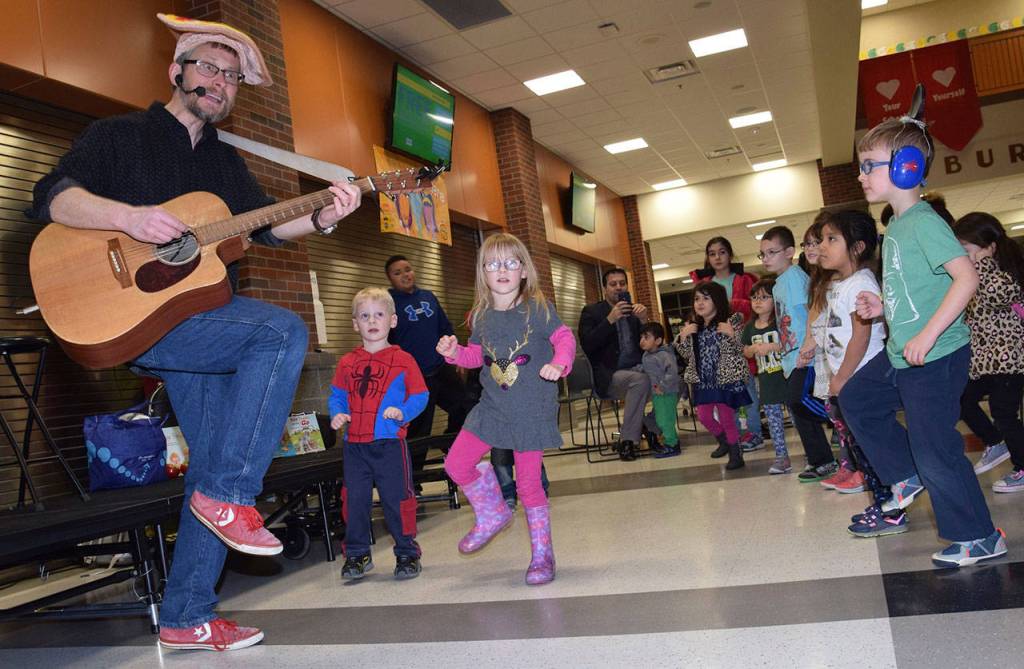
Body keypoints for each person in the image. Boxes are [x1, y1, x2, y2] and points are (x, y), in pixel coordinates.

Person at [28, 14, 364, 651]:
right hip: (131, 319)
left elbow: (264, 227)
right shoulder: (116, 135)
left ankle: (186, 615)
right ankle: (232, 497)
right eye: (209, 66)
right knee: (280, 333)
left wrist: (324, 214)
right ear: (176, 72)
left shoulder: (223, 161)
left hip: (199, 322)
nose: (221, 81)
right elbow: (51, 196)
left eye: (233, 77)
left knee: (211, 469)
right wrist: (129, 219)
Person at [840, 115, 1007, 568]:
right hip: (904, 353)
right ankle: (906, 475)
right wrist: (884, 310)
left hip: (936, 356)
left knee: (935, 446)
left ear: (906, 168)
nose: (861, 174)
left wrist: (929, 335)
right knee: (856, 398)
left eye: (869, 164)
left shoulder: (924, 221)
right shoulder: (896, 226)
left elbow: (965, 277)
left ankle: (979, 536)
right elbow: (916, 290)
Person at [438, 233, 575, 585]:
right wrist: (454, 353)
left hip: (531, 410)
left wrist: (560, 363)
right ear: (483, 273)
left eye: (511, 263)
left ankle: (543, 554)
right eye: (493, 264)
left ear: (524, 271)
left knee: (529, 483)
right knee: (456, 464)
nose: (502, 270)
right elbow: (477, 356)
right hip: (491, 408)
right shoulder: (480, 316)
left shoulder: (539, 309)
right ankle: (492, 513)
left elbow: (564, 338)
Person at [329, 287, 429, 581]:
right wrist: (337, 413)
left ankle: (408, 553)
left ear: (393, 321)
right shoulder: (347, 362)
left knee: (397, 500)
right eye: (364, 316)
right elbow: (337, 395)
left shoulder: (404, 360)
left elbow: (420, 395)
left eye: (379, 314)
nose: (372, 321)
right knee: (354, 500)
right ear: (355, 324)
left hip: (389, 445)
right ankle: (357, 554)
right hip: (354, 447)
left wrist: (403, 413)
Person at [814, 211, 902, 537]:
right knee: (861, 449)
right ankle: (885, 504)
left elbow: (861, 336)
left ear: (858, 246)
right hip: (850, 380)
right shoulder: (840, 283)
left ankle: (891, 509)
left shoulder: (862, 283)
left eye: (831, 239)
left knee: (871, 449)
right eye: (821, 239)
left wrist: (842, 378)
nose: (822, 246)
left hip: (863, 377)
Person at [759, 226, 837, 482]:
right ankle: (821, 461)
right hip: (791, 356)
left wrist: (808, 343)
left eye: (772, 252)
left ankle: (837, 418)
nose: (766, 258)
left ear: (790, 252)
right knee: (799, 411)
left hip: (804, 354)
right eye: (763, 254)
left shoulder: (793, 277)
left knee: (796, 400)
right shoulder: (780, 282)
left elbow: (809, 311)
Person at [953, 212, 1024, 492]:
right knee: (962, 400)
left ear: (990, 247)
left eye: (967, 251)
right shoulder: (972, 275)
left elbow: (998, 296)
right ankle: (995, 442)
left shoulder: (1004, 272)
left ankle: (1022, 466)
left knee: (1005, 413)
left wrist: (978, 268)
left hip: (1010, 358)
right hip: (985, 361)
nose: (964, 258)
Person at [385, 255, 469, 446]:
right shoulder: (388, 303)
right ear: (390, 278)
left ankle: (450, 446)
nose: (405, 275)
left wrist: (458, 356)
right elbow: (385, 342)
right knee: (420, 429)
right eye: (398, 273)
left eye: (408, 269)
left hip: (441, 367)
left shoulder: (428, 297)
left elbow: (445, 329)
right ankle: (413, 473)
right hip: (415, 376)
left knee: (465, 406)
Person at [691, 237, 764, 451]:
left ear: (730, 255)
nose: (717, 257)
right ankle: (734, 438)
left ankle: (754, 433)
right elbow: (698, 312)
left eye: (722, 252)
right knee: (724, 398)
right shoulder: (703, 284)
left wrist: (730, 304)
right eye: (712, 253)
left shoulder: (744, 279)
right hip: (714, 348)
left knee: (747, 389)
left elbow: (754, 307)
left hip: (739, 340)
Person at [675, 282, 750, 470]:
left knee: (727, 418)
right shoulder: (694, 327)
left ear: (717, 300)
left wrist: (732, 335)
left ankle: (735, 453)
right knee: (704, 416)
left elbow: (742, 350)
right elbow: (686, 355)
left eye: (705, 298)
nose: (700, 303)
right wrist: (683, 337)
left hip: (725, 379)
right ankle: (724, 440)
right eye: (696, 299)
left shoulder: (730, 322)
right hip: (703, 381)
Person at [578, 268, 650, 461]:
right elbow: (588, 344)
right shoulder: (591, 312)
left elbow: (651, 344)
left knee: (677, 379)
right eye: (613, 284)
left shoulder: (634, 311)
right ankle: (628, 441)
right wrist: (610, 320)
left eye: (622, 283)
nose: (618, 288)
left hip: (639, 368)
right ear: (604, 289)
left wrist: (644, 321)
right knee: (640, 380)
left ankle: (648, 426)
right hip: (610, 375)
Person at [741, 279, 791, 474]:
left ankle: (811, 453)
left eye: (764, 297)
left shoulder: (780, 322)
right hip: (766, 380)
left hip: (785, 376)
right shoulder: (750, 327)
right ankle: (781, 457)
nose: (758, 301)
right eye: (754, 298)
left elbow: (788, 342)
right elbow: (745, 351)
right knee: (773, 421)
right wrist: (752, 349)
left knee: (798, 416)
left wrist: (772, 346)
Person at [635, 322, 681, 458]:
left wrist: (663, 386)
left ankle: (672, 445)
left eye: (646, 337)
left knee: (665, 420)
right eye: (641, 337)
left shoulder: (664, 355)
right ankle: (670, 442)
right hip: (657, 394)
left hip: (667, 392)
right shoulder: (646, 355)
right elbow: (647, 369)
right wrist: (636, 370)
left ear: (658, 341)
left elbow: (672, 372)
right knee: (661, 419)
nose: (642, 341)